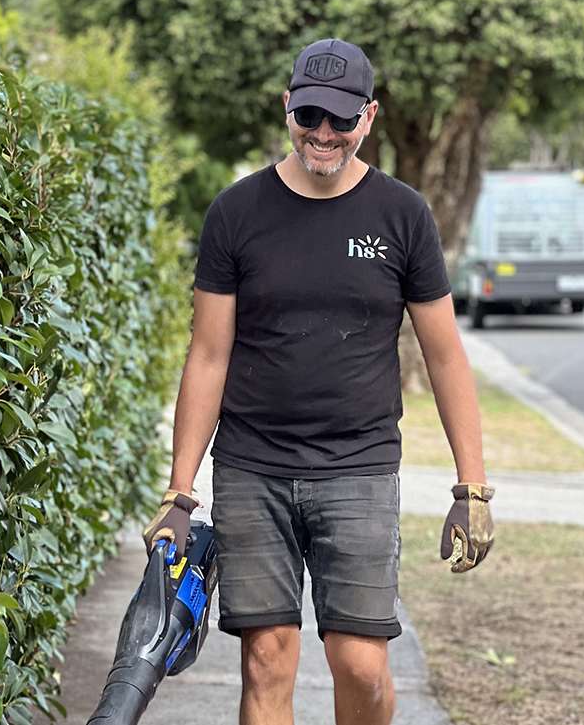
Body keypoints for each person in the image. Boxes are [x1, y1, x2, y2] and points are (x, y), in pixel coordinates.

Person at [143, 38, 494, 725]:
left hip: (359, 467)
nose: (324, 134)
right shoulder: (236, 213)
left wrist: (472, 486)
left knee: (360, 665)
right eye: (310, 115)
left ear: (369, 117)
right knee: (267, 657)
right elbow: (208, 354)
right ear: (287, 108)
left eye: (340, 118)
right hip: (252, 468)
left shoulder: (403, 215)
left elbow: (446, 354)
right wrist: (180, 492)